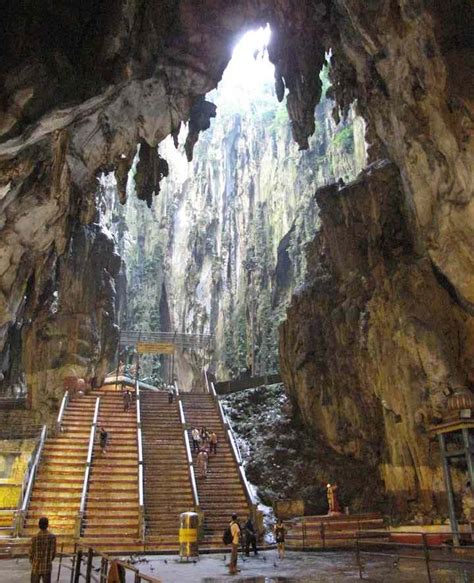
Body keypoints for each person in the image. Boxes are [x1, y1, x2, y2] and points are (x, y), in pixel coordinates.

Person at [30, 516, 56, 583]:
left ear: (39, 525)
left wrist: (32, 561)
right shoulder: (52, 537)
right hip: (46, 566)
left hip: (36, 566)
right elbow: (53, 553)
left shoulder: (34, 537)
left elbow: (31, 552)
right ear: (47, 525)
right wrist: (49, 559)